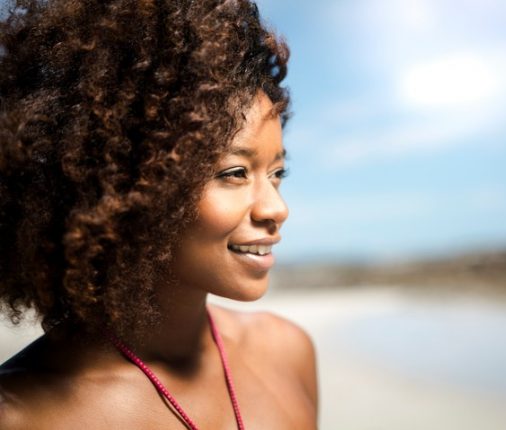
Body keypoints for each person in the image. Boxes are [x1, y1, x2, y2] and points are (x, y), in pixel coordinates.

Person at [0, 0, 318, 428]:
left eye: (277, 172)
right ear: (124, 184)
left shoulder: (288, 352)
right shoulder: (23, 415)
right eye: (235, 172)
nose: (276, 208)